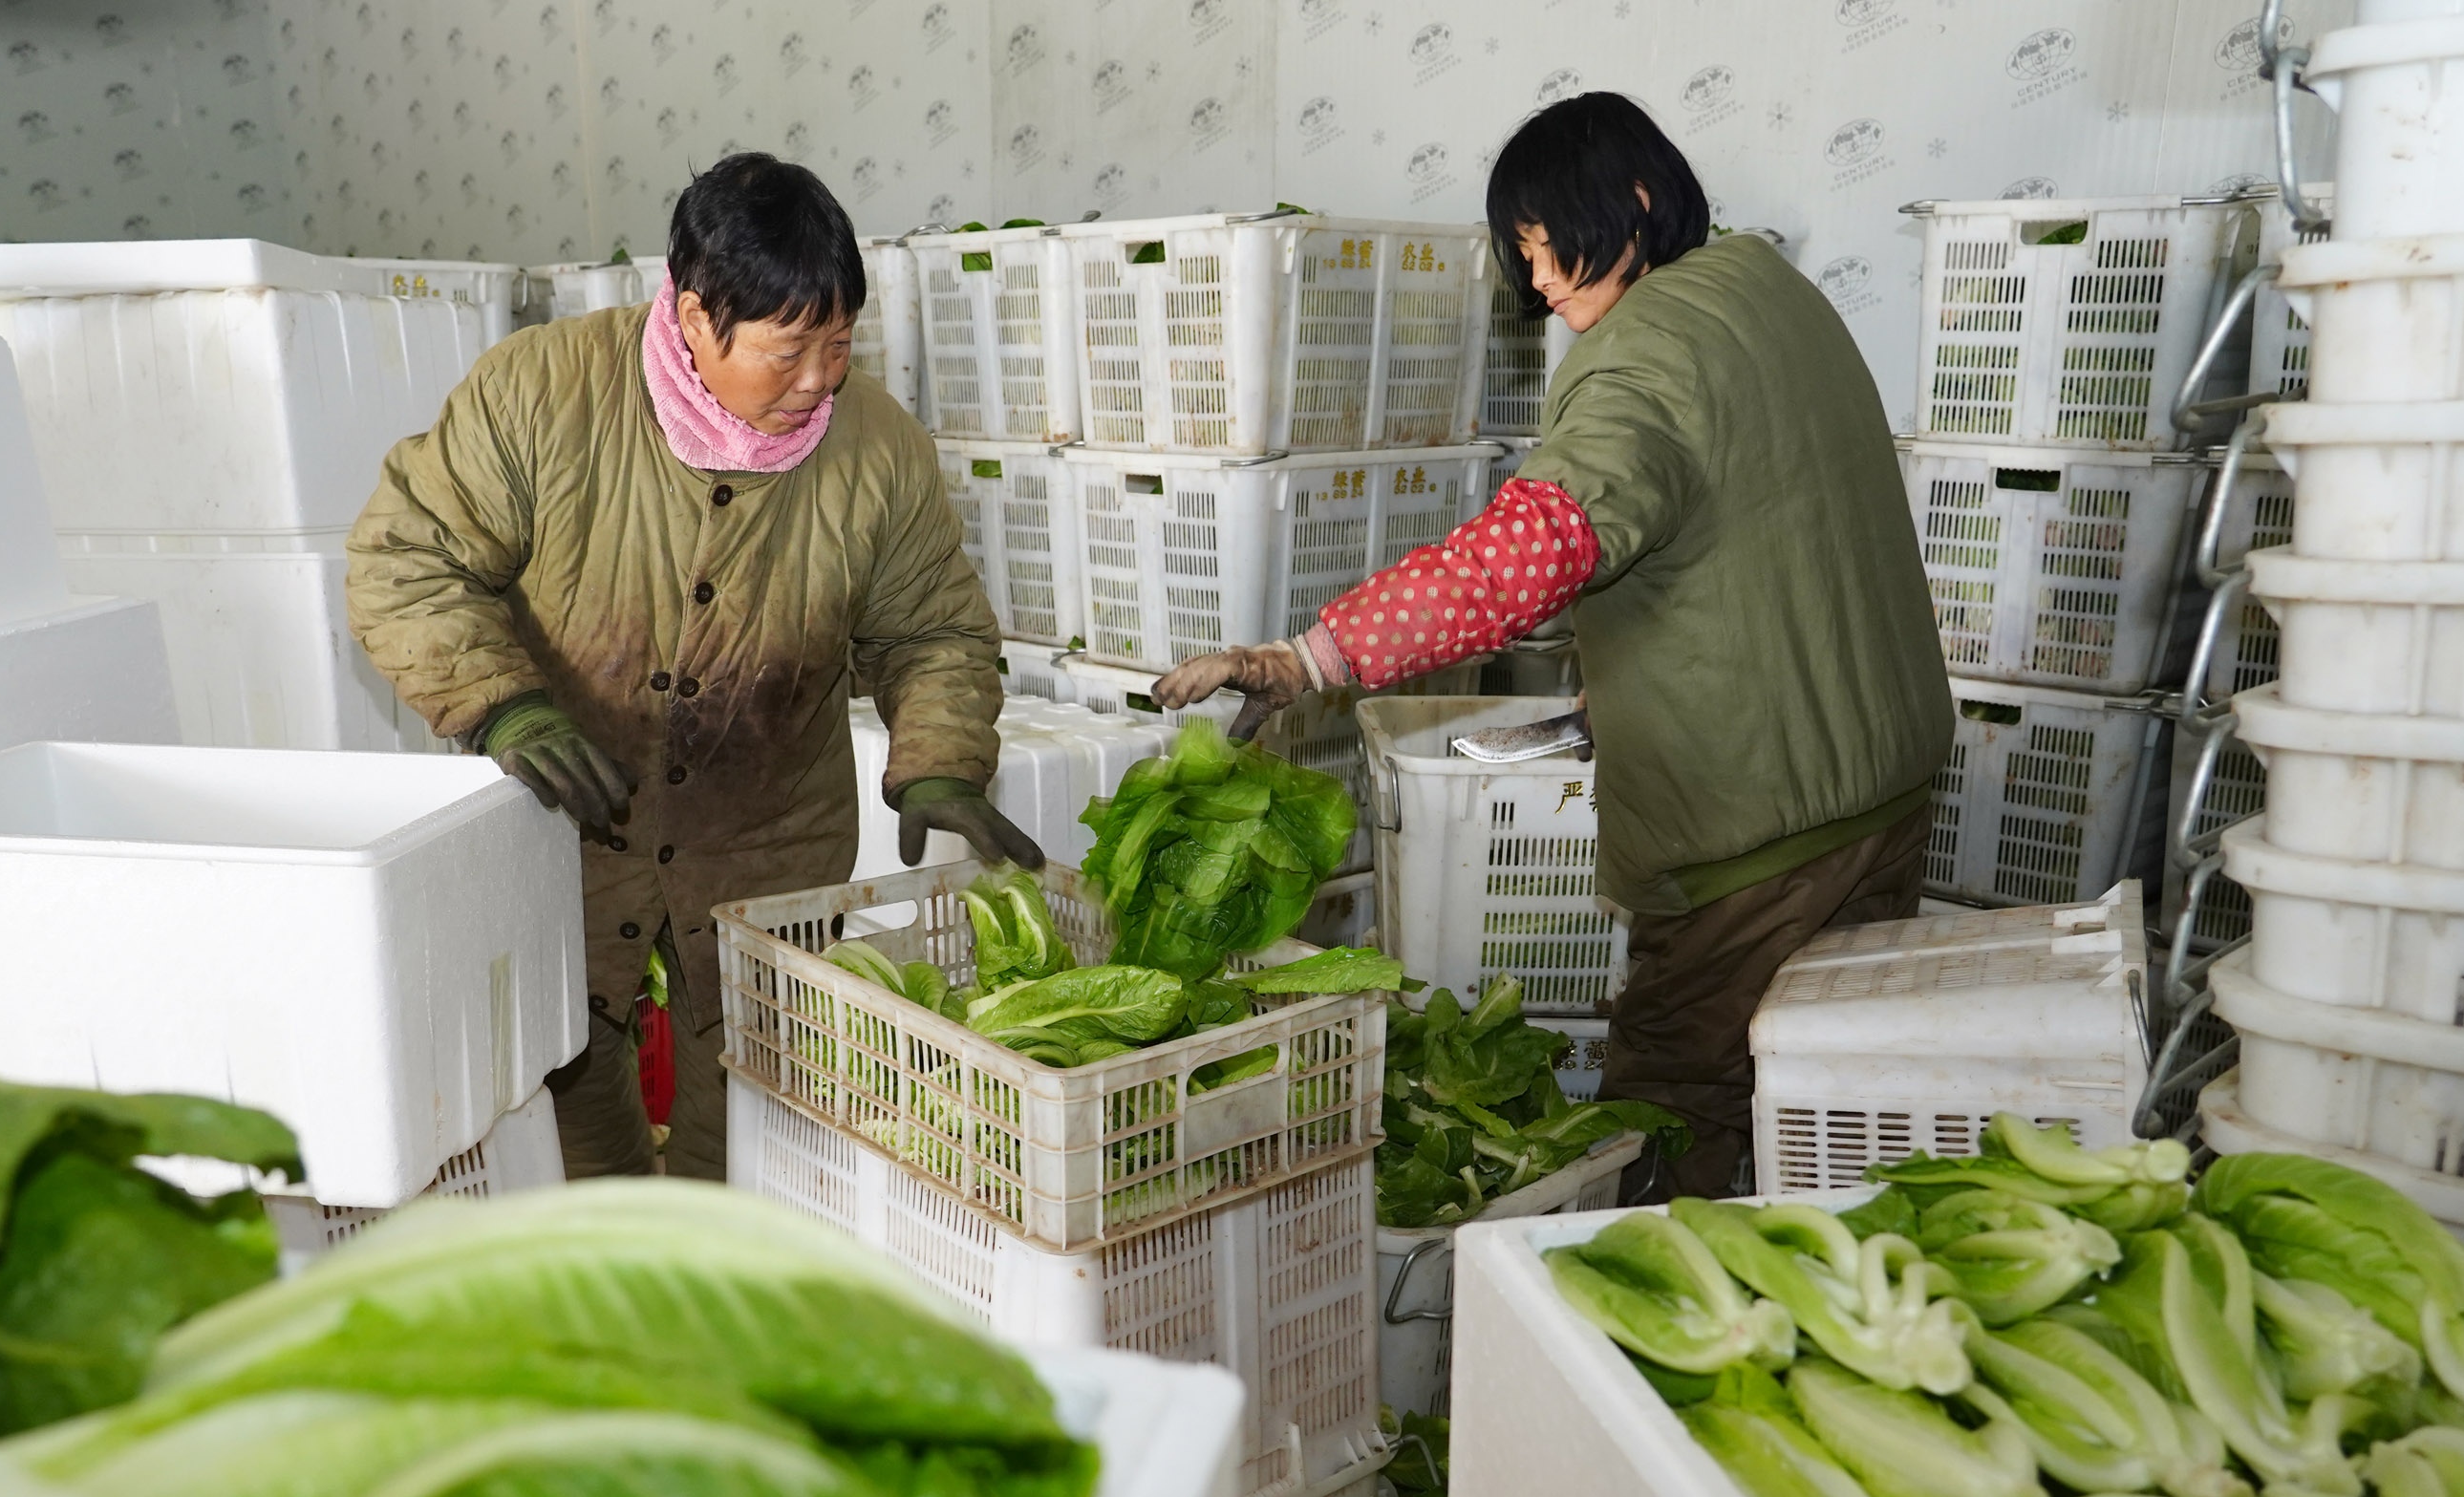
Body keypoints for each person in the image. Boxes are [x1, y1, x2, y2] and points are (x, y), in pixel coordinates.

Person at [1158, 92, 1953, 1201]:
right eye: (1522, 255)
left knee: (1676, 1106)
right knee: (1820, 1102)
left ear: (1632, 202)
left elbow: (1526, 557)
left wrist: (1309, 661)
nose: (1536, 282)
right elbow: (1758, 533)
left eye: (1544, 246)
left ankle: (1657, 1344)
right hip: (1886, 786)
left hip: (1760, 833)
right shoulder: (1766, 288)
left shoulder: (1644, 356)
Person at [349, 154, 1039, 1183]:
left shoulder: (879, 447)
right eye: (789, 348)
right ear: (692, 310)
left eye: (839, 344)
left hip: (769, 827)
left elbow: (932, 630)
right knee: (568, 1063)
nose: (819, 380)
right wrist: (505, 708)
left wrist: (940, 756)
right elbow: (407, 559)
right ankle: (623, 1258)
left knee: (763, 1070)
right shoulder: (542, 391)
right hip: (570, 809)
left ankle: (720, 1265)